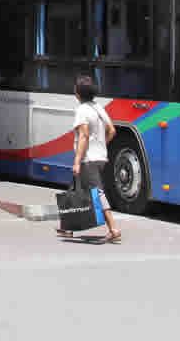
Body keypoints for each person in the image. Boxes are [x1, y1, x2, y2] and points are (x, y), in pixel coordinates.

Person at [58, 76, 120, 244]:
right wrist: (101, 145)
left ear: (78, 93)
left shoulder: (82, 110)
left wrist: (77, 161)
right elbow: (112, 130)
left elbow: (84, 135)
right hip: (100, 157)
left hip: (88, 159)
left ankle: (113, 229)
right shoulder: (98, 107)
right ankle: (67, 227)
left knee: (97, 193)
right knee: (75, 189)